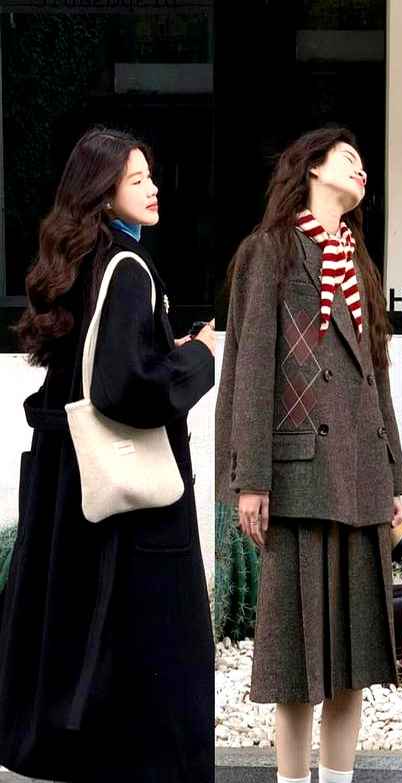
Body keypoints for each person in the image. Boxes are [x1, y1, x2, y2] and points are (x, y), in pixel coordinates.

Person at [0, 127, 215, 782]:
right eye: (136, 179)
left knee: (98, 661)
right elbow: (125, 387)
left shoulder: (79, 267)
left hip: (79, 496)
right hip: (137, 512)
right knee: (159, 666)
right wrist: (196, 360)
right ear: (102, 191)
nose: (152, 189)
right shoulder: (127, 268)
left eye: (151, 177)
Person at [215, 127, 402, 783]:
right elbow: (250, 367)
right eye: (348, 159)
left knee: (355, 664)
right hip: (298, 479)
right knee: (296, 669)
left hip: (361, 478)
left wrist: (395, 479)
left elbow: (377, 376)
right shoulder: (269, 251)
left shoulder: (360, 264)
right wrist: (250, 479)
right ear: (313, 169)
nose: (361, 171)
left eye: (364, 163)